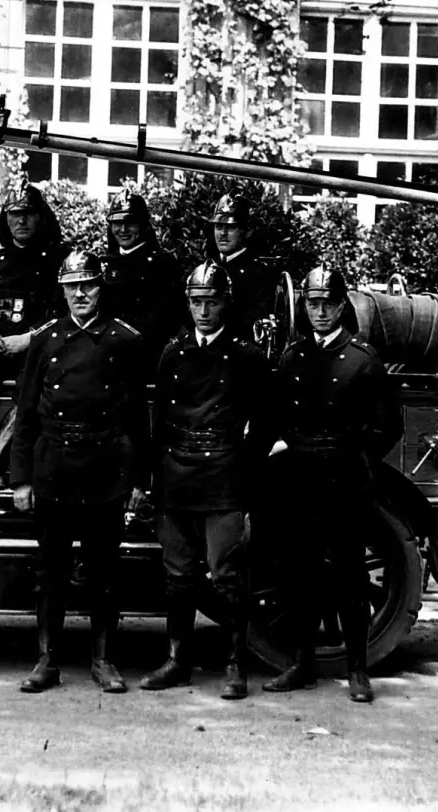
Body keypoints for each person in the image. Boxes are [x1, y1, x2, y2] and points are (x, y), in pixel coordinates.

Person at [256, 264, 401, 704]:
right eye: (313, 303)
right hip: (298, 481)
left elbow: (388, 426)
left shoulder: (363, 359)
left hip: (343, 483)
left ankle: (357, 670)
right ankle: (300, 664)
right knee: (297, 574)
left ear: (342, 306)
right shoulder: (293, 356)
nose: (320, 311)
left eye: (328, 304)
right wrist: (281, 443)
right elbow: (275, 415)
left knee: (348, 577)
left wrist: (353, 456)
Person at [9, 250, 147, 694]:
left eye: (88, 285)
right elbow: (26, 411)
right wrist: (22, 479)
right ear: (63, 290)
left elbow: (137, 420)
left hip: (104, 465)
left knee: (105, 572)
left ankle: (103, 660)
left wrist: (139, 481)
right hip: (54, 466)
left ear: (100, 288)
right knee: (51, 571)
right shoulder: (46, 339)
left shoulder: (124, 341)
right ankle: (46, 661)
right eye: (72, 286)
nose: (80, 294)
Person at [141, 262, 270, 701]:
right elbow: (159, 423)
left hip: (222, 480)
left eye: (211, 302)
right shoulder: (173, 353)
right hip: (176, 479)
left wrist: (242, 469)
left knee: (226, 575)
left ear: (225, 305)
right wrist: (153, 480)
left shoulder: (247, 358)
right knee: (178, 576)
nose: (203, 311)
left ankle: (236, 665)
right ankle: (177, 660)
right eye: (196, 302)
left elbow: (266, 424)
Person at [0, 184, 67, 491]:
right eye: (15, 214)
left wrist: (30, 339)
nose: (21, 221)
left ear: (41, 217)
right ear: (6, 219)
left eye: (29, 214)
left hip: (37, 348)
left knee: (30, 391)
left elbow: (64, 316)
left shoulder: (58, 259)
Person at [100, 189, 185, 354]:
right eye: (117, 223)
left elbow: (167, 320)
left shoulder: (164, 265)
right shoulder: (105, 264)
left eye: (130, 223)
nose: (123, 229)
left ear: (143, 225)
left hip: (147, 354)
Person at [206, 192, 283, 344]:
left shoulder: (260, 274)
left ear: (246, 231)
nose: (223, 233)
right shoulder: (207, 267)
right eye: (219, 226)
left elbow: (251, 324)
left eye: (231, 227)